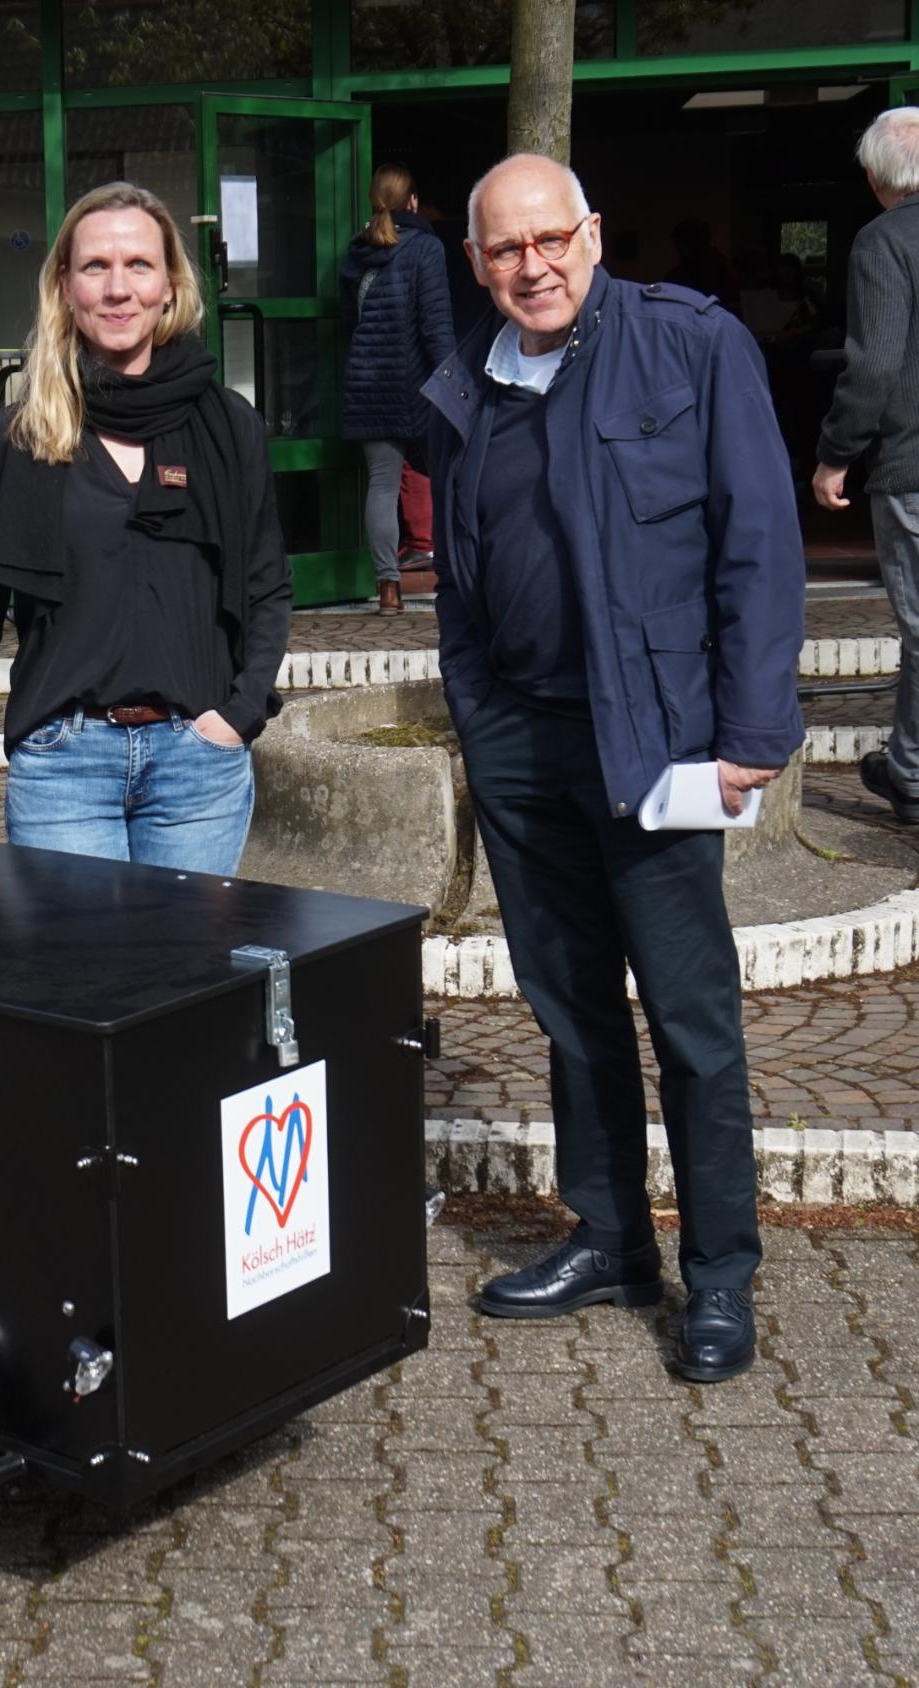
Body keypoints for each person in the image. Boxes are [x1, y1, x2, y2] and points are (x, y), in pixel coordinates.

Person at [426, 155, 805, 1383]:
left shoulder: (689, 347)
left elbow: (758, 537)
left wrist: (752, 731)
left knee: (690, 1020)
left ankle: (721, 1274)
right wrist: (477, 712)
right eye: (503, 250)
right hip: (525, 742)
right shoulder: (471, 384)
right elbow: (465, 577)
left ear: (591, 233)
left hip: (654, 738)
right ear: (476, 264)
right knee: (571, 1006)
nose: (531, 265)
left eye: (551, 238)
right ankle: (611, 1237)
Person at [0, 182, 291, 874]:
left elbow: (267, 588)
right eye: (96, 267)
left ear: (171, 287)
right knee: (80, 979)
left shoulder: (228, 425)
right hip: (64, 768)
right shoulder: (18, 438)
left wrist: (239, 717)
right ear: (65, 286)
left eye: (139, 266)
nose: (118, 289)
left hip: (198, 766)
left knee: (187, 978)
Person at [813, 106, 919, 827]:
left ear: (877, 179)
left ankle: (911, 771)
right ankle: (909, 765)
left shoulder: (884, 242)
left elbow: (874, 362)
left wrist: (834, 457)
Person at [340, 163, 455, 614]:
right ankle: (454, 576)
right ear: (412, 202)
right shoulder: (426, 248)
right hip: (418, 383)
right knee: (446, 475)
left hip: (368, 383)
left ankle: (388, 589)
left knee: (383, 486)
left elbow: (350, 321)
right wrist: (452, 388)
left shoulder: (357, 251)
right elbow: (437, 326)